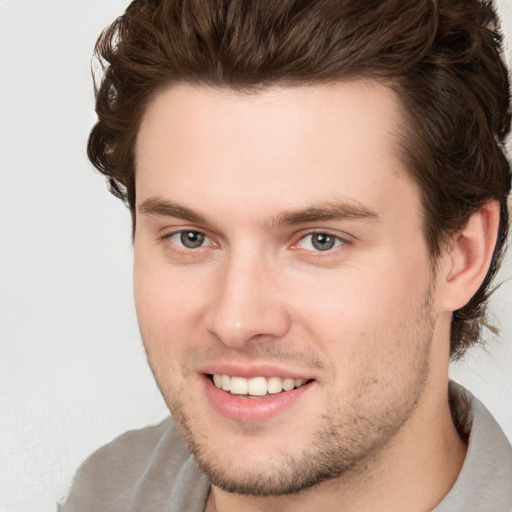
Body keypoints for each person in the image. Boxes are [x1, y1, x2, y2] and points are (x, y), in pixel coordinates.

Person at [60, 0, 512, 510]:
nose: (236, 321)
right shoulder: (105, 492)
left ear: (461, 255)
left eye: (321, 240)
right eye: (190, 237)